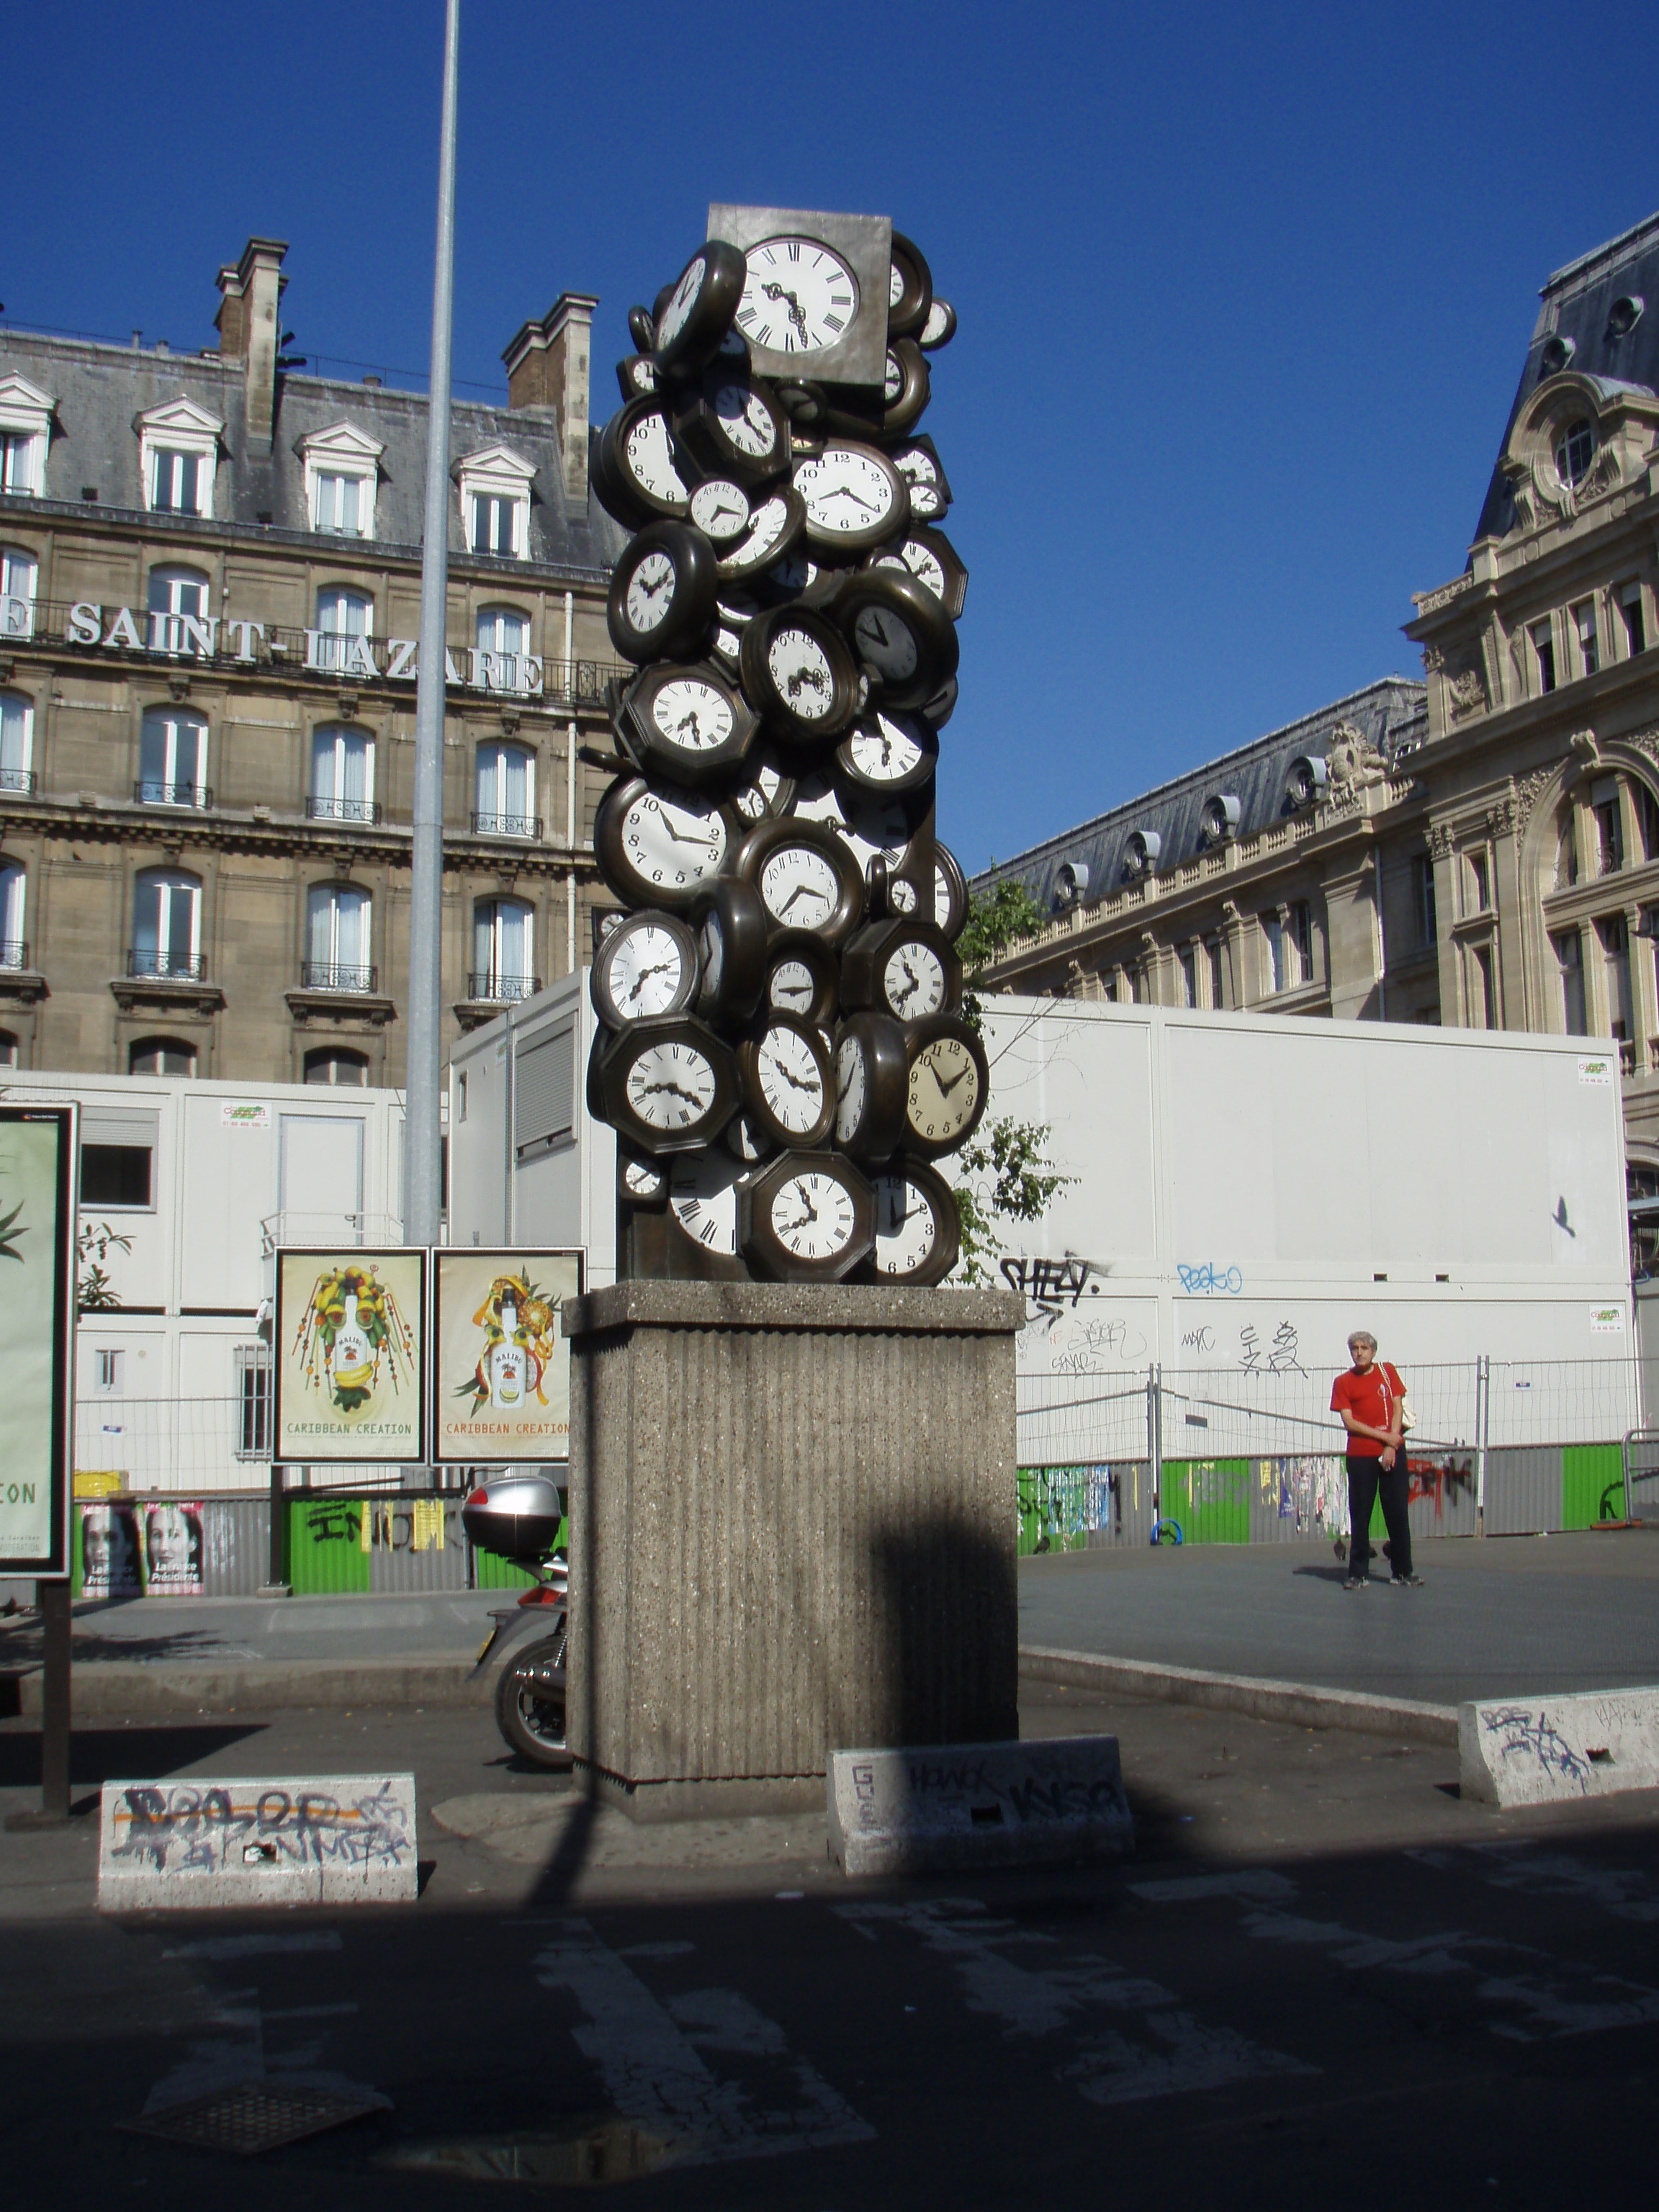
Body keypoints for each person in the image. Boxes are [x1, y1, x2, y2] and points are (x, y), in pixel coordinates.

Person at [1330, 1331, 1421, 1590]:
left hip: (1392, 1451)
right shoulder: (1343, 1382)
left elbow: (1397, 1406)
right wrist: (1383, 1437)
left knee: (1397, 1512)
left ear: (1373, 1351)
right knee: (1361, 1514)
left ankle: (1403, 1571)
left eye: (1364, 1348)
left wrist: (1392, 1442)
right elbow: (1349, 1421)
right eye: (1355, 1349)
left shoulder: (1387, 1372)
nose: (1360, 1353)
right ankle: (1357, 1573)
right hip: (1361, 1455)